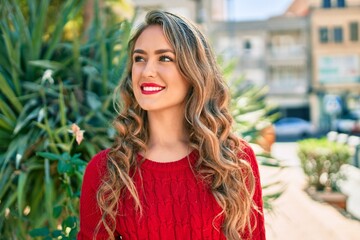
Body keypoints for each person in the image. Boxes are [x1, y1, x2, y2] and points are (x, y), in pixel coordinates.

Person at [78, 10, 265, 240]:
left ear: (194, 71)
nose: (147, 71)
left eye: (164, 58)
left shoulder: (235, 161)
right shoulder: (106, 171)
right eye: (140, 58)